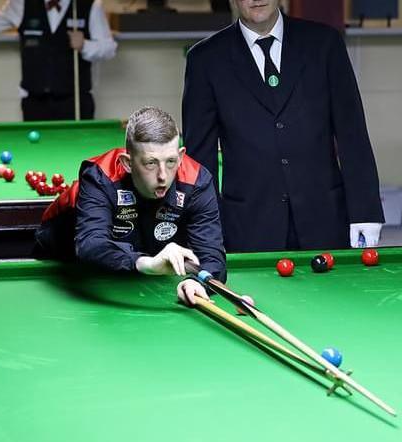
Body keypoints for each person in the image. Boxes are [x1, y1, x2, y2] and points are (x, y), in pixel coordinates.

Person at [182, 0, 384, 252]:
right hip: (247, 226)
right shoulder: (205, 59)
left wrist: (365, 210)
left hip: (325, 219)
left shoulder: (324, 44)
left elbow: (352, 133)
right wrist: (204, 230)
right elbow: (200, 159)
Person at [35, 107, 226, 306]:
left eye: (170, 161)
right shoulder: (100, 176)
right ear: (127, 163)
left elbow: (211, 255)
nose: (163, 175)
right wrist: (148, 264)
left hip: (138, 253)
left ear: (180, 155)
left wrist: (197, 284)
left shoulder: (197, 181)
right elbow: (91, 245)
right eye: (151, 163)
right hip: (64, 256)